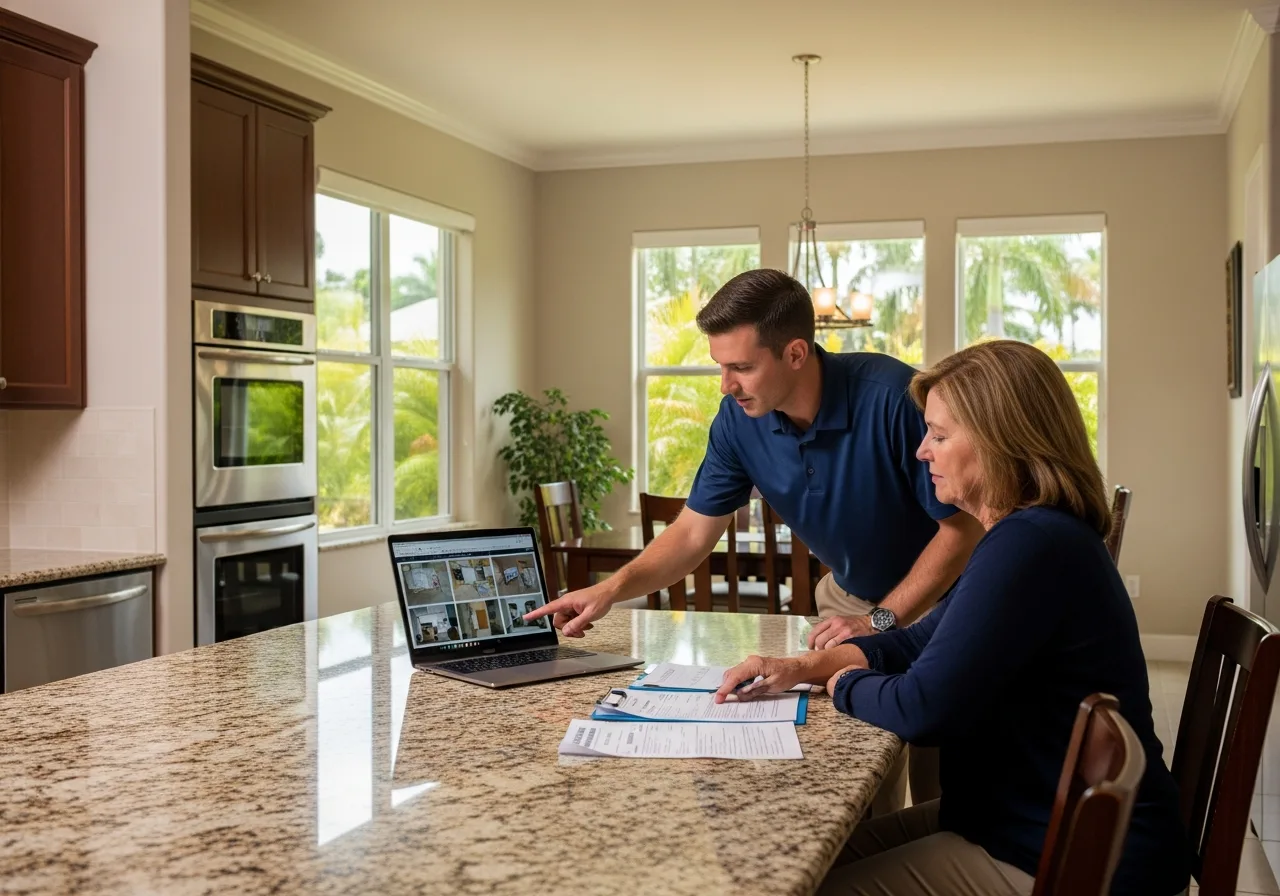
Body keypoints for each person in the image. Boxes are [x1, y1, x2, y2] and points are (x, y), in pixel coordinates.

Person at [712, 340, 1191, 896]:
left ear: (1002, 442)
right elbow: (915, 643)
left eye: (938, 436)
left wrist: (841, 682)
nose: (921, 452)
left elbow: (922, 710)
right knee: (797, 864)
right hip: (1028, 823)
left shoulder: (1028, 547)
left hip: (1064, 861)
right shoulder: (1032, 535)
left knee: (805, 883)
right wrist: (804, 666)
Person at [525, 267, 982, 643]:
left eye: (742, 368)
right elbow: (689, 536)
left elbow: (962, 532)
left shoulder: (892, 398)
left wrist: (878, 621)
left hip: (944, 597)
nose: (726, 385)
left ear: (796, 353)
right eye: (720, 366)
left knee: (920, 740)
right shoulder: (736, 420)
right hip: (847, 600)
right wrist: (610, 590)